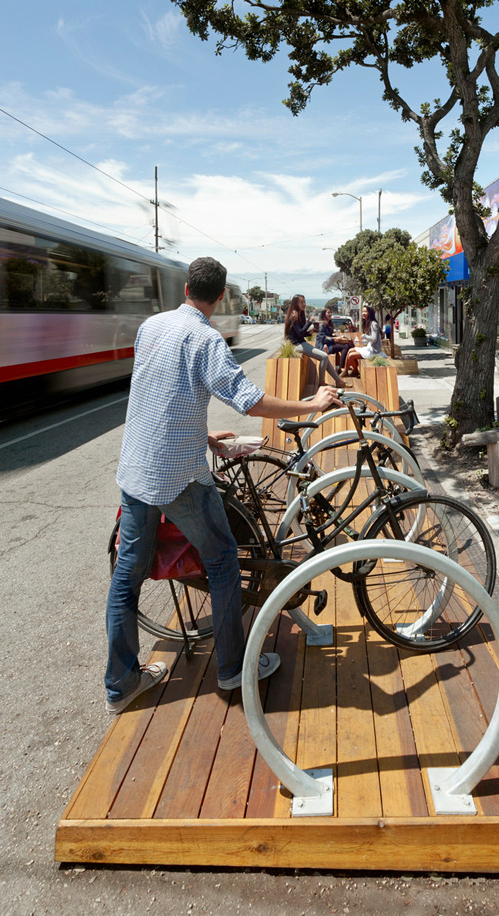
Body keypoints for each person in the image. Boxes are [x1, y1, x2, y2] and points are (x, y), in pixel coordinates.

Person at [105, 258, 342, 715]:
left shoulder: (152, 326)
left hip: (135, 470)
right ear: (217, 298)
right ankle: (232, 667)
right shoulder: (204, 337)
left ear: (187, 287)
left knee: (125, 579)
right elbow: (248, 400)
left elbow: (160, 394)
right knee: (222, 561)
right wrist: (309, 403)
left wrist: (205, 436)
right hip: (178, 478)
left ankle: (120, 685)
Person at [285, 294, 349, 388]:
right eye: (301, 302)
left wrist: (309, 333)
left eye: (304, 301)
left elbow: (300, 333)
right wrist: (309, 322)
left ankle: (338, 381)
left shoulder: (298, 314)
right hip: (296, 345)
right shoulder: (294, 315)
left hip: (301, 343)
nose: (304, 304)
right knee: (324, 356)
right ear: (295, 303)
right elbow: (299, 333)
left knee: (324, 357)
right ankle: (322, 383)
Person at [343, 305, 382, 377]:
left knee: (351, 355)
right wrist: (363, 341)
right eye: (362, 311)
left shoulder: (373, 324)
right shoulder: (368, 323)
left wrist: (365, 336)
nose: (363, 313)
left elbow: (374, 339)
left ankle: (348, 371)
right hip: (369, 348)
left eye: (365, 311)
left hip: (374, 351)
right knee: (350, 350)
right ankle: (353, 371)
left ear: (370, 313)